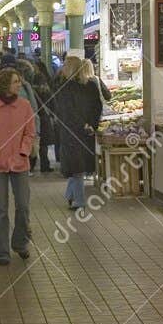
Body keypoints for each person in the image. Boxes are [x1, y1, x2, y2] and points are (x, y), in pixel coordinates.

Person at [0, 68, 36, 265]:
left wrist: (23, 152)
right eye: (15, 81)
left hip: (21, 163)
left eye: (19, 81)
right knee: (0, 209)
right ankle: (2, 251)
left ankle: (20, 243)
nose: (20, 85)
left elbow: (30, 133)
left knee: (23, 206)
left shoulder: (25, 105)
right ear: (4, 84)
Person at [49, 55, 104, 210]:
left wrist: (83, 124)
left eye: (65, 65)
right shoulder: (91, 85)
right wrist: (91, 124)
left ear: (71, 68)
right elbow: (97, 107)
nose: (62, 68)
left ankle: (79, 200)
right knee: (78, 166)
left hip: (71, 131)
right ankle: (71, 195)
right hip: (85, 132)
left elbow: (66, 111)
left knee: (77, 167)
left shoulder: (65, 87)